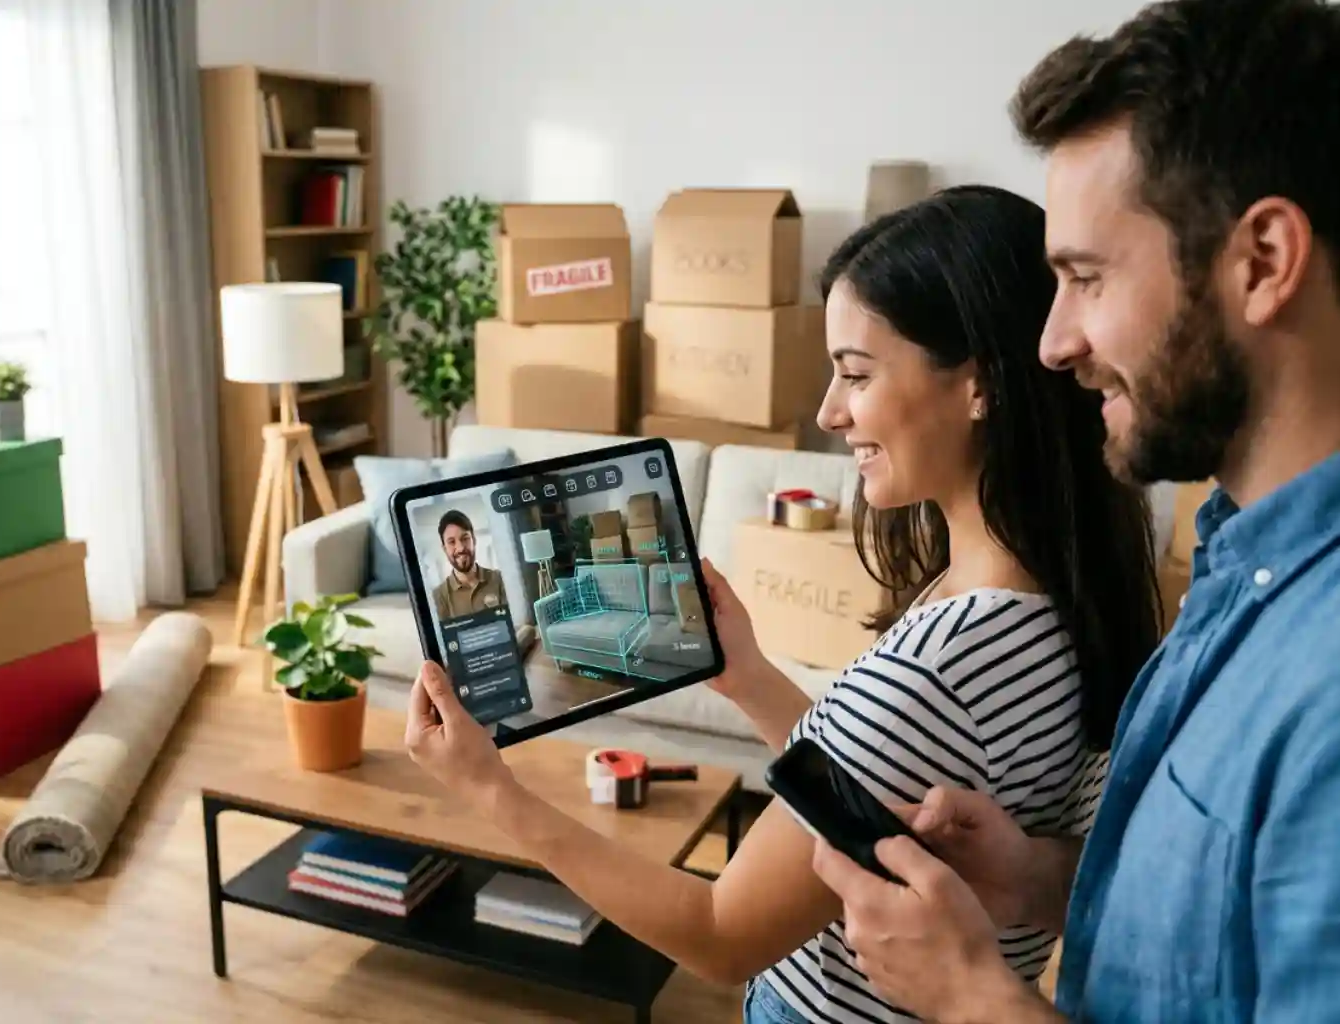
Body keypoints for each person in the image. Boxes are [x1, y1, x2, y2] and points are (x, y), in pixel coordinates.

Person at [403, 185, 1164, 1023]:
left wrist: (492, 793)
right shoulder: (1044, 599)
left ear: (978, 385)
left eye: (856, 374)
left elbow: (721, 933)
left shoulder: (940, 662)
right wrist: (751, 678)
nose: (829, 413)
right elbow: (875, 787)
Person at [806, 1, 1340, 1021]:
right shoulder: (1239, 564)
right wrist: (1043, 878)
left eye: (1087, 278)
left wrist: (970, 996)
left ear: (1263, 260)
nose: (1052, 344)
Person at [430, 509, 507, 620]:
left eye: (465, 538)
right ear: (444, 549)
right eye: (452, 542)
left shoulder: (500, 579)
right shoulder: (438, 596)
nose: (460, 548)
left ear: (474, 540)